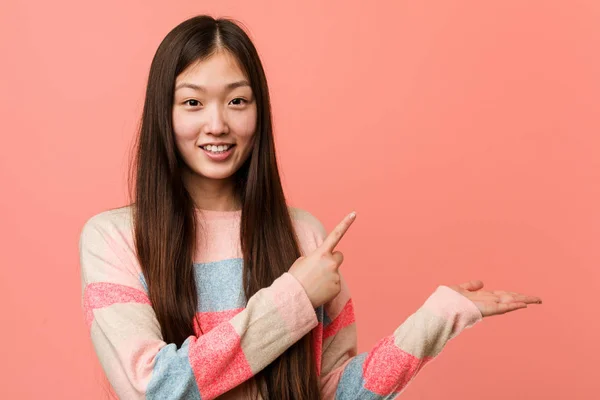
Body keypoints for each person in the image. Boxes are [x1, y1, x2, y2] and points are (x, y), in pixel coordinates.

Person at [78, 15, 542, 400]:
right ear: (165, 113)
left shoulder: (303, 236)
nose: (216, 123)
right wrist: (295, 296)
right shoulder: (114, 238)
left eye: (237, 101)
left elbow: (333, 392)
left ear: (259, 113)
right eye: (193, 102)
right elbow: (152, 388)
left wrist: (437, 319)